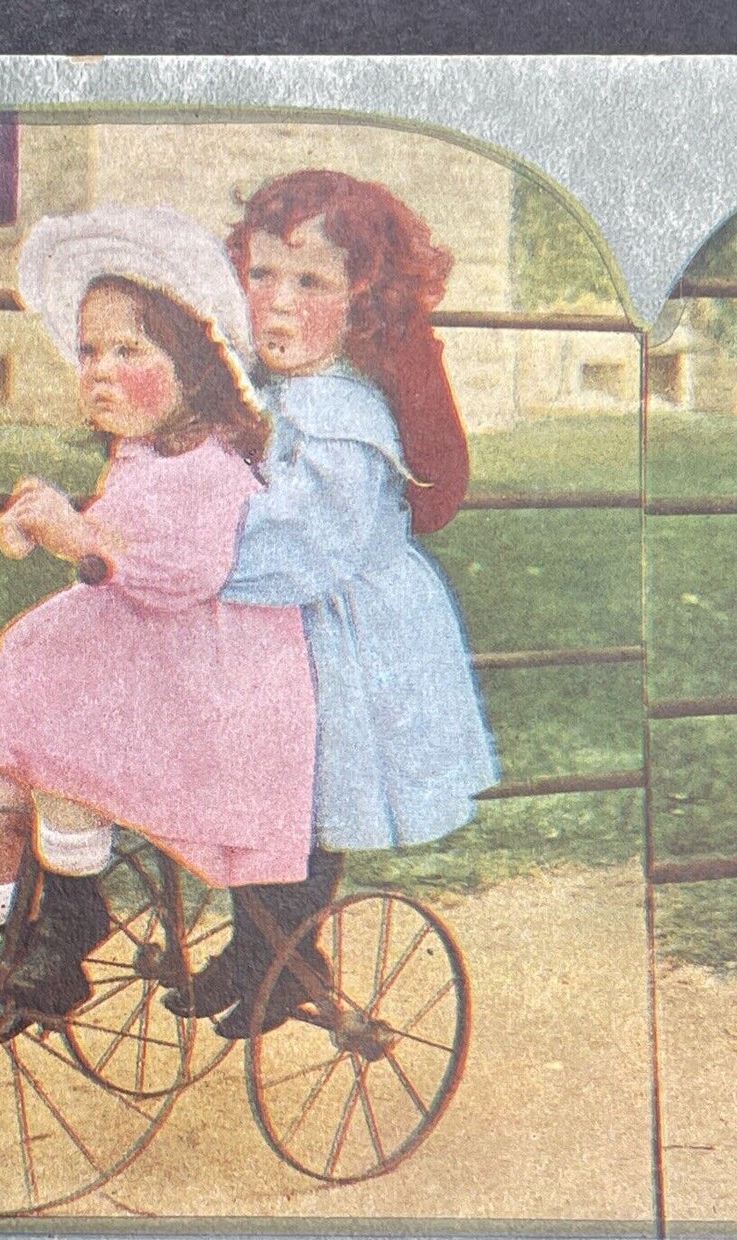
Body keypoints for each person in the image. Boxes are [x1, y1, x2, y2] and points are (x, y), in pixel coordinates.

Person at [0, 206, 317, 1045]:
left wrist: (76, 537)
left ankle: (72, 924)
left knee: (69, 759)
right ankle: (24, 943)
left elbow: (173, 575)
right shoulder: (142, 459)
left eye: (129, 350)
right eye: (89, 352)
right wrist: (50, 525)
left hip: (206, 694)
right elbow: (111, 546)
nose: (100, 372)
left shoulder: (213, 468)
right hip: (138, 674)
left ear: (192, 366)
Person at [164, 169, 501, 1038]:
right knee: (256, 781)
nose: (276, 303)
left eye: (309, 282)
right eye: (260, 276)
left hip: (341, 627)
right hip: (272, 620)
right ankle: (260, 944)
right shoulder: (264, 394)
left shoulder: (343, 414)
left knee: (308, 790)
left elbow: (304, 545)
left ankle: (287, 951)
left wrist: (189, 561)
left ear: (362, 299)